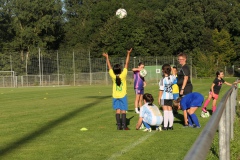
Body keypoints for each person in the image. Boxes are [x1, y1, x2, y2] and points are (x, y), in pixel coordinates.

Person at [102, 48, 132, 130]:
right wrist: (128, 54)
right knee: (123, 110)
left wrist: (107, 57)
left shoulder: (112, 76)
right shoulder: (123, 75)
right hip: (123, 95)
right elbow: (127, 63)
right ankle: (124, 126)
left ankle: (119, 126)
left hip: (115, 96)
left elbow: (109, 67)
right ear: (121, 70)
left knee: (117, 110)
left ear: (114, 71)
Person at [158, 64, 176, 130]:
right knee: (170, 111)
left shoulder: (162, 80)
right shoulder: (171, 77)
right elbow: (174, 74)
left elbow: (161, 90)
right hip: (170, 97)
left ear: (163, 70)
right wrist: (171, 68)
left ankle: (165, 126)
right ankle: (171, 126)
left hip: (164, 97)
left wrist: (159, 98)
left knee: (165, 111)